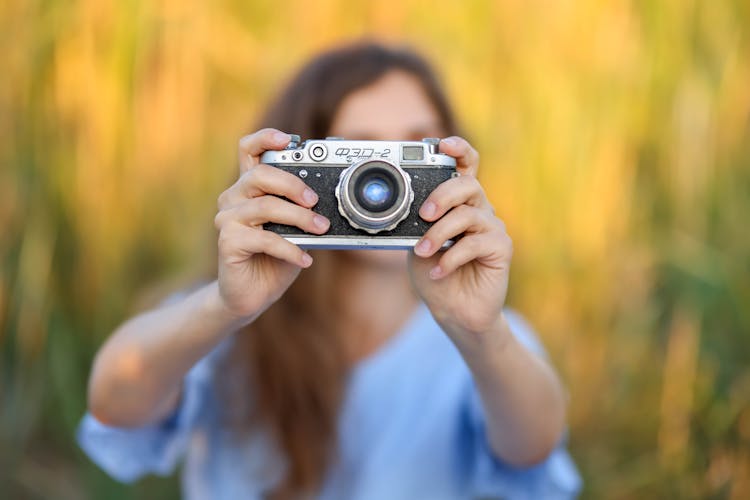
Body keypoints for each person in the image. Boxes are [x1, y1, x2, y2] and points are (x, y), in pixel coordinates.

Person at [77, 42, 581, 499]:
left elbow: (533, 449)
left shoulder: (485, 338)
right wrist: (226, 306)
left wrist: (479, 332)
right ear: (300, 171)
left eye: (414, 151)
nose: (387, 182)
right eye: (359, 154)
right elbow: (115, 400)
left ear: (453, 167)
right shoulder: (222, 319)